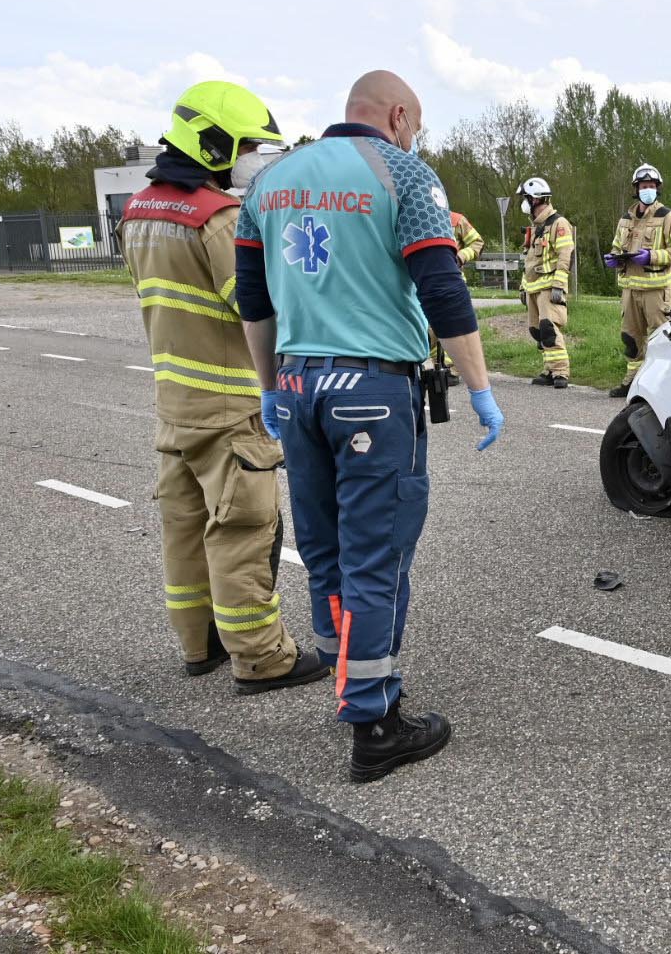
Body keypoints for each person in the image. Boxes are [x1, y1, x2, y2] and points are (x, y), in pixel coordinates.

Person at [234, 69, 505, 783]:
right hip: (373, 392)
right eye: (413, 124)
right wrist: (480, 388)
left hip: (296, 386)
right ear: (394, 116)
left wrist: (269, 389)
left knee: (326, 553)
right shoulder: (403, 174)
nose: (413, 136)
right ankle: (377, 725)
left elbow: (254, 304)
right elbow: (442, 287)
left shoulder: (269, 183)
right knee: (376, 560)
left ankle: (349, 682)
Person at [118, 81, 329, 694]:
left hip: (174, 405)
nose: (251, 159)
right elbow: (259, 308)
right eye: (245, 146)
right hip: (232, 406)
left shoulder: (140, 213)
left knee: (184, 530)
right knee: (242, 531)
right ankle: (262, 658)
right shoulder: (218, 219)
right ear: (212, 144)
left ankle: (199, 645)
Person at [606, 162, 671, 398]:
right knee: (631, 337)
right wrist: (615, 259)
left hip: (656, 290)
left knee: (661, 338)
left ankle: (663, 385)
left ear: (657, 188)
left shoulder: (668, 216)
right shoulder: (626, 218)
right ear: (636, 188)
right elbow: (616, 246)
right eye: (644, 186)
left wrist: (652, 256)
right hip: (630, 289)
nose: (647, 190)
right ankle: (632, 380)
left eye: (651, 186)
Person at [517, 177, 575, 388]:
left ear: (535, 199)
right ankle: (549, 370)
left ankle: (561, 372)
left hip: (549, 286)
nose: (523, 203)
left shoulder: (558, 224)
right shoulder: (536, 227)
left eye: (526, 198)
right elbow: (530, 261)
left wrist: (559, 285)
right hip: (533, 286)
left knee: (549, 329)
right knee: (537, 331)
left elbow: (565, 254)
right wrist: (524, 286)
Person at [429, 211, 485, 382]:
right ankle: (434, 366)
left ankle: (452, 369)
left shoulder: (456, 220)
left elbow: (477, 243)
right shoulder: (417, 217)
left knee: (453, 326)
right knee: (428, 328)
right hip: (426, 282)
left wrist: (460, 256)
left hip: (452, 281)